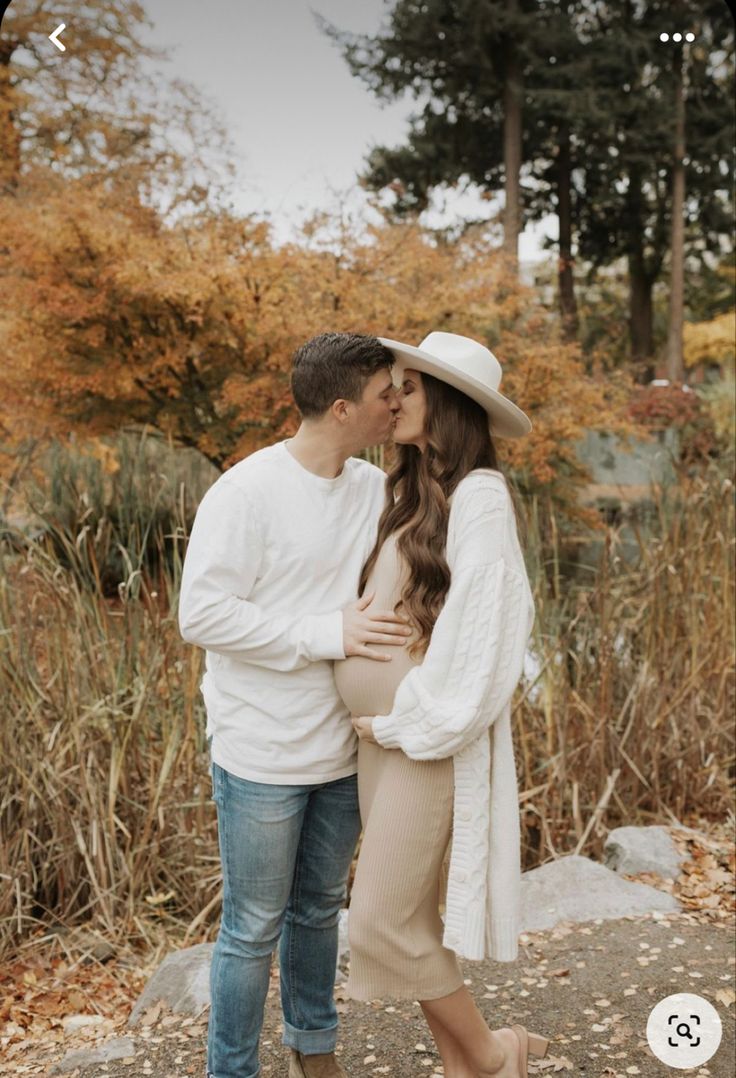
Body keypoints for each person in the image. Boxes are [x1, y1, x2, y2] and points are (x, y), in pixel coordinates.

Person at [178, 332, 412, 1078]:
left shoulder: (372, 488)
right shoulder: (246, 493)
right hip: (263, 754)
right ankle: (232, 1071)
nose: (398, 405)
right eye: (386, 395)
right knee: (251, 929)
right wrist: (325, 633)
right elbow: (201, 615)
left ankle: (315, 1053)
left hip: (345, 746)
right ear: (342, 407)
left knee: (318, 913)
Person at [333, 331, 550, 1078]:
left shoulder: (481, 496)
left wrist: (404, 719)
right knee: (412, 920)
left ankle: (494, 1053)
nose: (394, 399)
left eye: (410, 389)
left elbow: (487, 641)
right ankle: (465, 1067)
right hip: (380, 742)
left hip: (421, 742)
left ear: (448, 405)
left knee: (379, 925)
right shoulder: (409, 490)